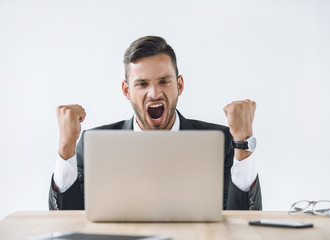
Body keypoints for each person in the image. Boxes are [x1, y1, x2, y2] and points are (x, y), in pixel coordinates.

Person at [48, 36, 262, 210]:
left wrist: (243, 144)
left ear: (179, 85)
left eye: (164, 81)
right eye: (142, 83)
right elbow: (69, 227)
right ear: (126, 91)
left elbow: (242, 227)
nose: (155, 93)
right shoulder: (93, 144)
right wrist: (66, 149)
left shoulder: (223, 142)